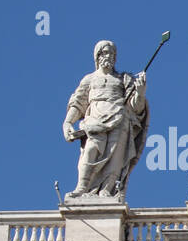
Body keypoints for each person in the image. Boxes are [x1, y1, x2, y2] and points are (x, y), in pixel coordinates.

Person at [61, 41, 149, 200]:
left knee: (115, 156)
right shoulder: (90, 79)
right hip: (95, 120)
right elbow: (79, 103)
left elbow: (135, 107)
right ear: (98, 56)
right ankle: (82, 188)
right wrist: (68, 122)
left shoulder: (123, 79)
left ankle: (107, 190)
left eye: (112, 54)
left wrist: (140, 93)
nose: (109, 56)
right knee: (91, 151)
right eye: (105, 53)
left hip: (119, 119)